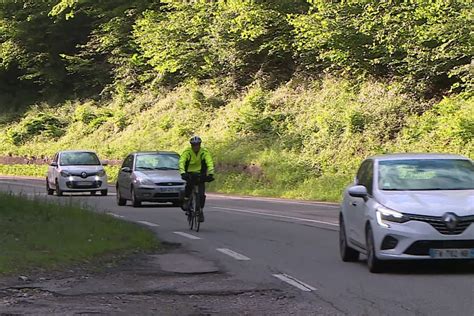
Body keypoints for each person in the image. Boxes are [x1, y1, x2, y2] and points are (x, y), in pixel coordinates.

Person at [179, 136, 215, 222]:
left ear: (200, 145)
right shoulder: (187, 152)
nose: (196, 147)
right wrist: (183, 173)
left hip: (200, 174)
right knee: (189, 186)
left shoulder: (204, 152)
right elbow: (181, 162)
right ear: (191, 145)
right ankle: (187, 200)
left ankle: (200, 211)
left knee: (202, 195)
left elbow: (209, 162)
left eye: (197, 145)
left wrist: (210, 174)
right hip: (189, 174)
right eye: (194, 145)